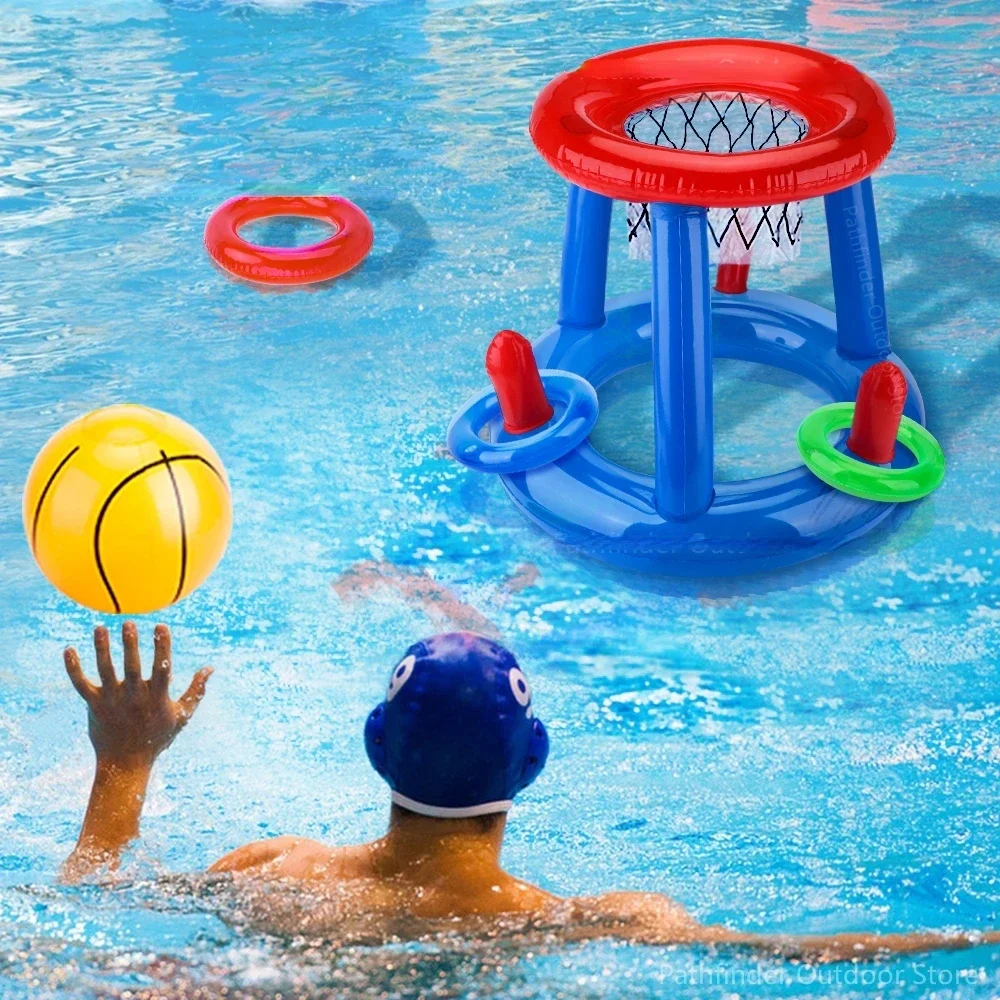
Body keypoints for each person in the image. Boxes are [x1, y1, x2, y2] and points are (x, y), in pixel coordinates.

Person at [60, 623, 999, 961]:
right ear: (533, 763)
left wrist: (125, 765)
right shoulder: (588, 924)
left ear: (375, 750)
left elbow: (88, 902)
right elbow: (791, 955)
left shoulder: (272, 870)